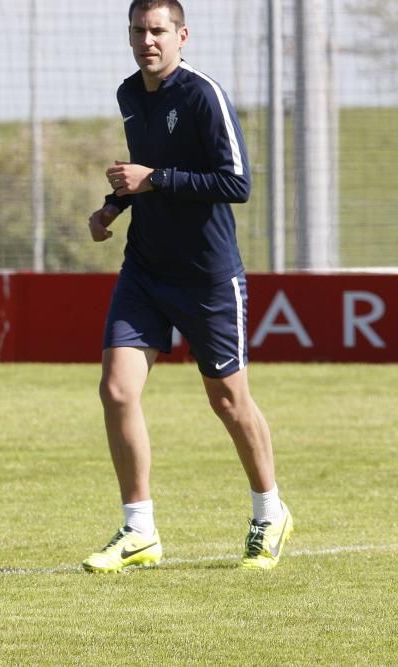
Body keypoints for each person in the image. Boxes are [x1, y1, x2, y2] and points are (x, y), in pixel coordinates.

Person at [82, 0, 292, 573]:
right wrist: (112, 207)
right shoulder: (129, 94)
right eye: (138, 30)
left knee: (228, 401)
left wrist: (155, 180)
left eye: (158, 30)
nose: (147, 40)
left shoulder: (203, 95)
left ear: (182, 35)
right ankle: (138, 529)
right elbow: (146, 173)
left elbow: (237, 182)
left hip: (206, 277)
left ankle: (269, 512)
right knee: (117, 391)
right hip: (146, 271)